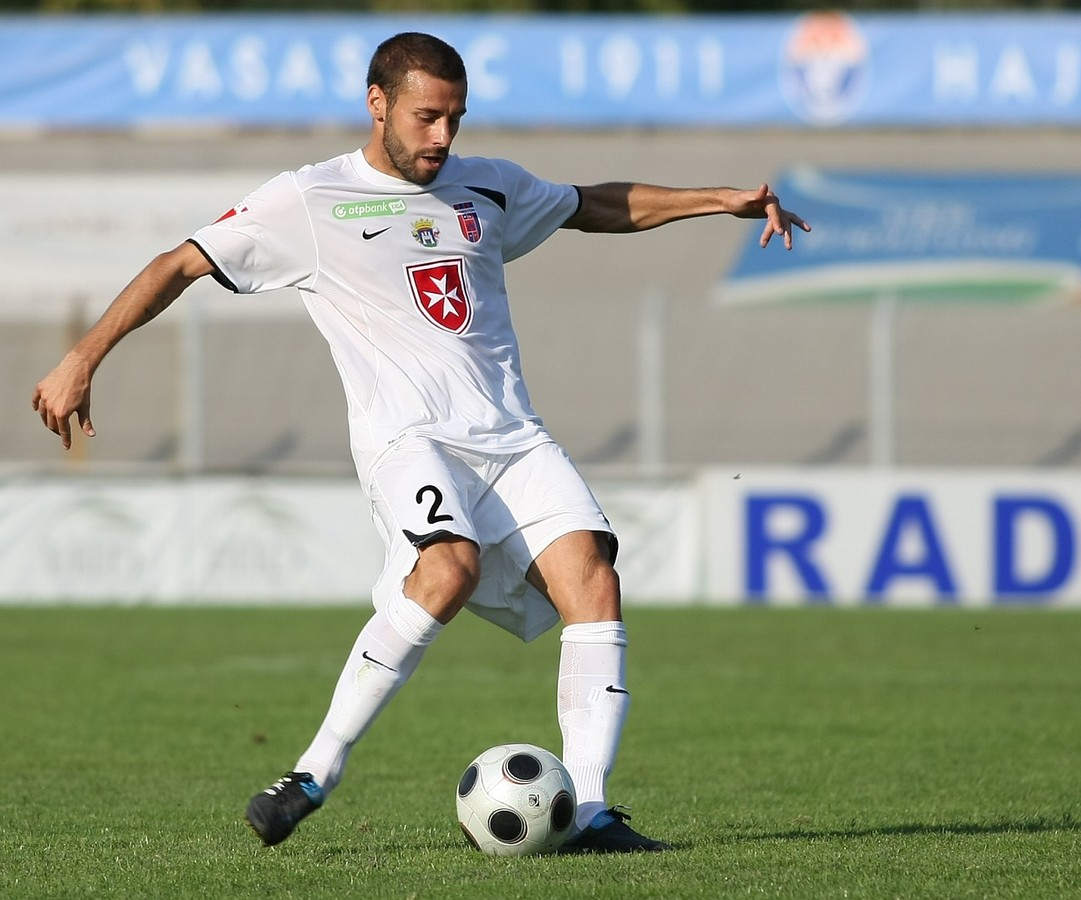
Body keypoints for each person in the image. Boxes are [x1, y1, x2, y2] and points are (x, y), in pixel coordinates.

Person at [32, 32, 808, 851]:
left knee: (593, 580)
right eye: (426, 116)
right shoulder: (310, 200)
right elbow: (178, 263)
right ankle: (313, 771)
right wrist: (83, 358)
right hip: (407, 438)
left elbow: (592, 205)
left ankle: (589, 811)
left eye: (455, 117)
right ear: (378, 103)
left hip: (511, 436)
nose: (442, 135)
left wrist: (716, 199)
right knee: (447, 570)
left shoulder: (489, 186)